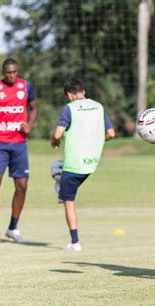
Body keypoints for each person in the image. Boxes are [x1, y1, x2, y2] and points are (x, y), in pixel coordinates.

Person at [51, 78, 115, 252]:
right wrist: (98, 140)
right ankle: (60, 187)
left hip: (73, 164)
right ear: (83, 91)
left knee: (68, 200)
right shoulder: (98, 106)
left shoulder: (69, 108)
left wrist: (54, 142)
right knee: (63, 180)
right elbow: (111, 133)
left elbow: (58, 133)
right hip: (92, 162)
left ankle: (75, 242)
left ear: (70, 94)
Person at [0, 58, 38, 243]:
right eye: (8, 73)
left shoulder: (26, 87)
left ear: (18, 71)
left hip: (19, 143)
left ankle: (13, 227)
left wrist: (29, 125)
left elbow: (34, 108)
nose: (12, 75)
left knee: (21, 186)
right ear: (3, 72)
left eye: (14, 72)